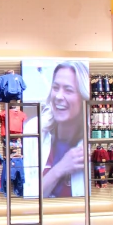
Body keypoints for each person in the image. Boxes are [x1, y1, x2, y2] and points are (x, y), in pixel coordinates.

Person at [38, 61, 90, 198]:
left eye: (68, 90)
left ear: (83, 96)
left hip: (79, 214)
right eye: (55, 88)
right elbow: (32, 195)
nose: (59, 97)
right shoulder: (35, 130)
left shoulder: (94, 138)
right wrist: (61, 168)